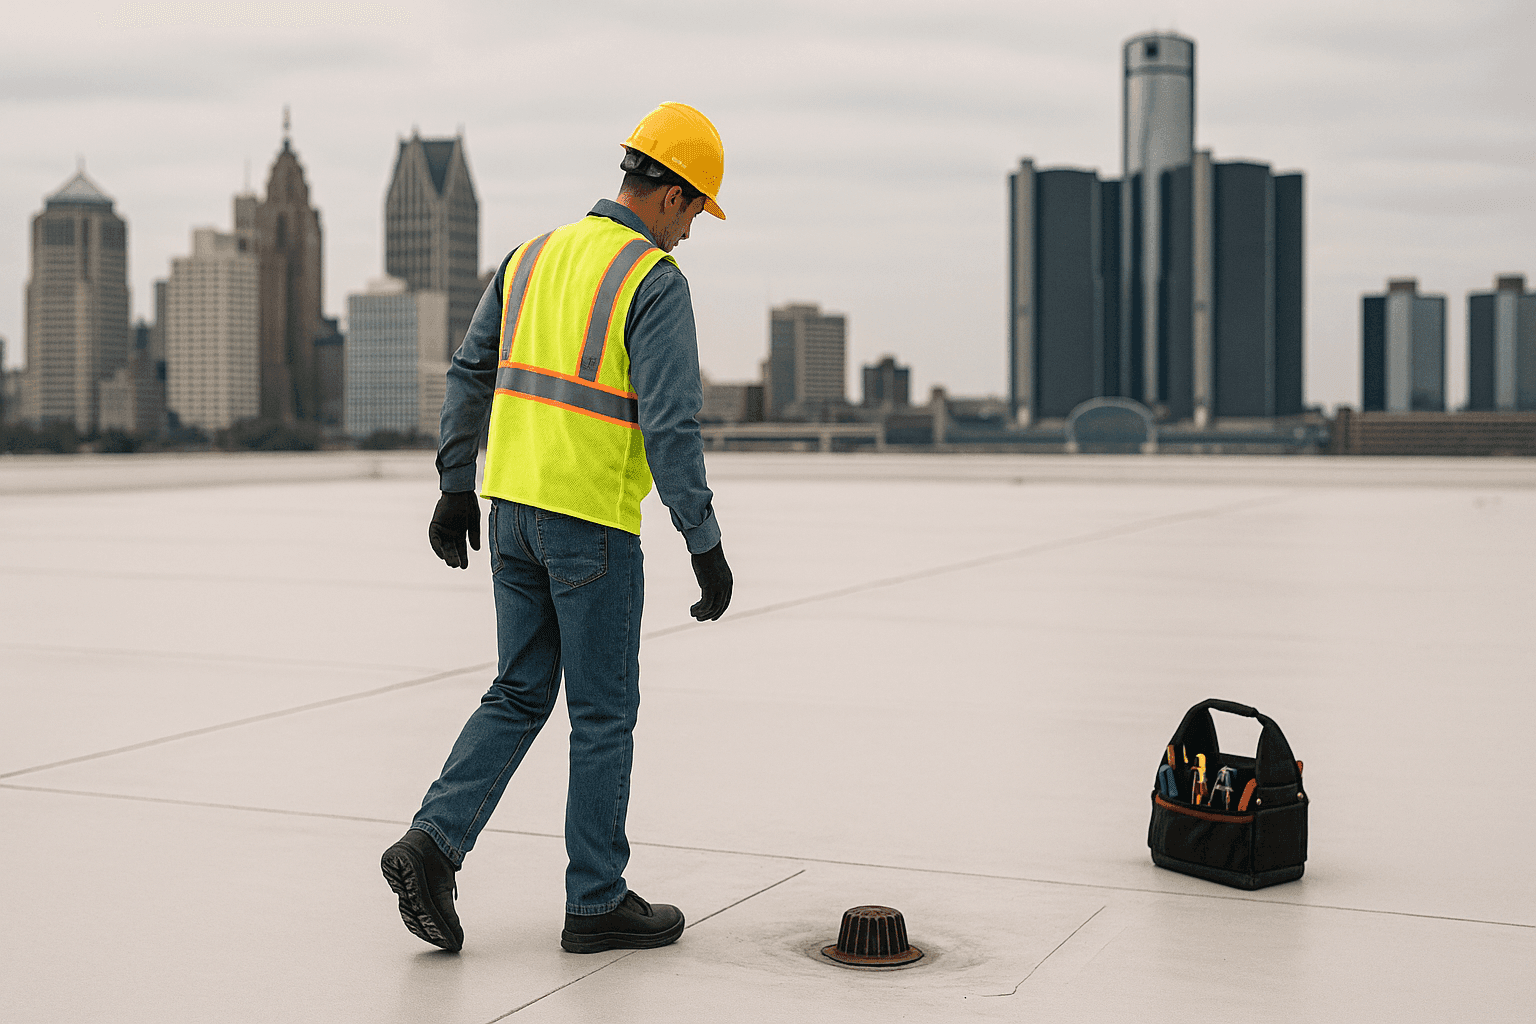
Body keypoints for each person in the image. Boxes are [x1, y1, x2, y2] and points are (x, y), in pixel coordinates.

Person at [380, 102, 734, 955]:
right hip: (590, 525)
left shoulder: (530, 256)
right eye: (694, 212)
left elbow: (469, 371)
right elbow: (672, 424)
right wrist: (704, 541)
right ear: (672, 194)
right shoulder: (653, 281)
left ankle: (432, 844)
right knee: (603, 714)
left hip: (510, 514)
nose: (690, 232)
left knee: (518, 691)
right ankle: (596, 901)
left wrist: (454, 487)